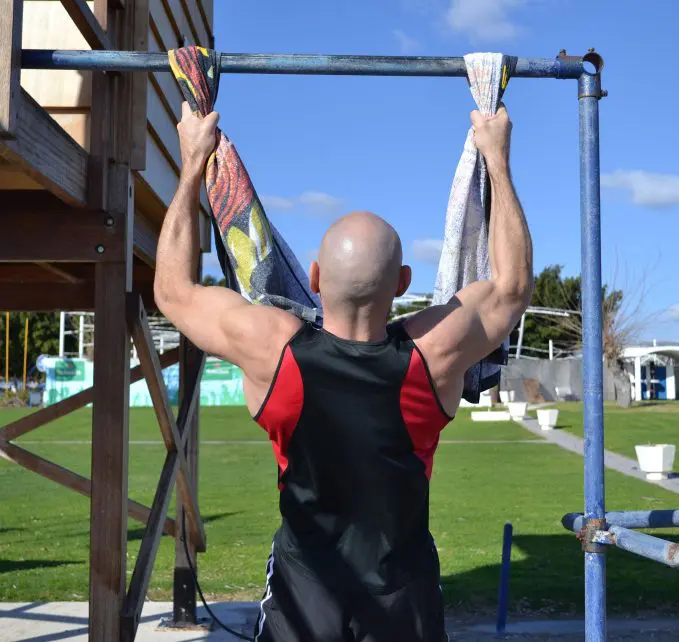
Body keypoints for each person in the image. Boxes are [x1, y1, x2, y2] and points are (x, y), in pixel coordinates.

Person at [155, 102, 533, 642]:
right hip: (403, 591)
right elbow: (512, 286)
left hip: (304, 589)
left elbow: (173, 292)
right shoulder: (434, 353)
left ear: (312, 276)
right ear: (403, 282)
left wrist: (194, 162)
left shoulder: (272, 348)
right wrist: (496, 156)